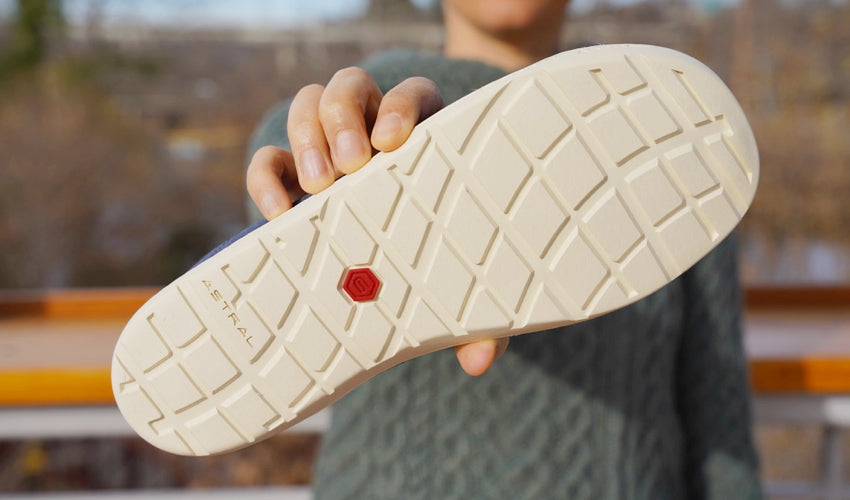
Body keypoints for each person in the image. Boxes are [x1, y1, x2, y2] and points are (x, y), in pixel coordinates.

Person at [244, 1, 762, 498]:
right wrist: (326, 182)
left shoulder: (671, 144)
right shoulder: (355, 123)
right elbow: (265, 309)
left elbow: (718, 418)